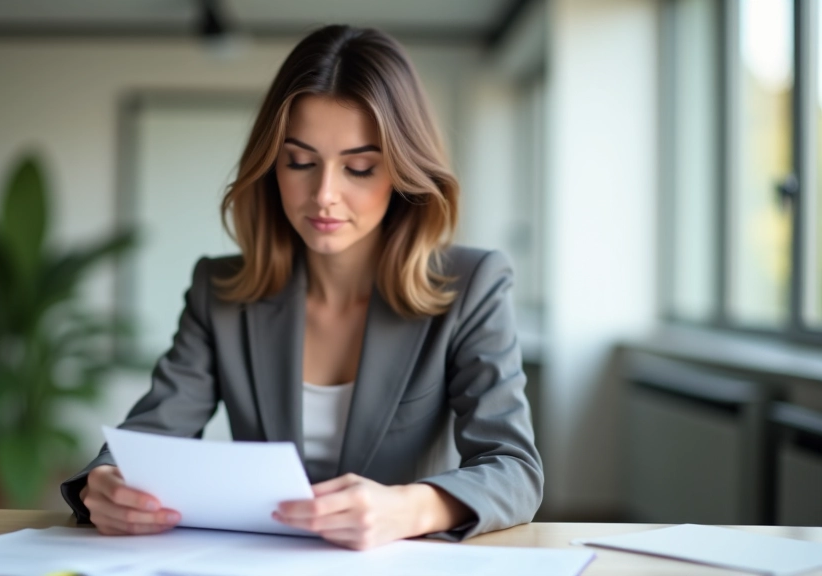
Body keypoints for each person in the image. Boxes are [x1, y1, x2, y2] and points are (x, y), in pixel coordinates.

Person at [61, 24, 542, 551]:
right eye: (300, 162)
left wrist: (406, 507)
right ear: (272, 165)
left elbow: (514, 469)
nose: (324, 195)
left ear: (402, 173)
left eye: (359, 167)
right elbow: (154, 433)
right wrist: (104, 483)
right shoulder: (219, 290)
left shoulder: (471, 284)